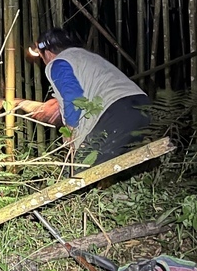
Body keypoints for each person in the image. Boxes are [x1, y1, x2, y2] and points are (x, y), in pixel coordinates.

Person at [21, 27, 151, 167]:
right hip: (141, 107)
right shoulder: (87, 58)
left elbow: (72, 97)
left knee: (80, 172)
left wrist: (70, 129)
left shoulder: (58, 63)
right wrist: (19, 103)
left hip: (115, 111)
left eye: (41, 56)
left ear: (47, 53)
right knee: (112, 169)